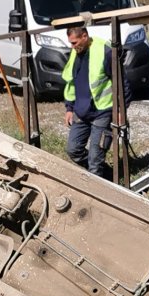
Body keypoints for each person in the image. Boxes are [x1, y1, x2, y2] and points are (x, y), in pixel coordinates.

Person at [61, 20, 114, 179]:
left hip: (102, 112)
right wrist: (69, 108)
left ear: (85, 36)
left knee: (95, 159)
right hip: (81, 112)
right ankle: (108, 175)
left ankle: (99, 190)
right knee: (73, 150)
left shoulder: (104, 50)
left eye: (74, 42)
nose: (72, 46)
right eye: (70, 43)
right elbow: (71, 81)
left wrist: (120, 110)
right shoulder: (75, 52)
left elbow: (122, 82)